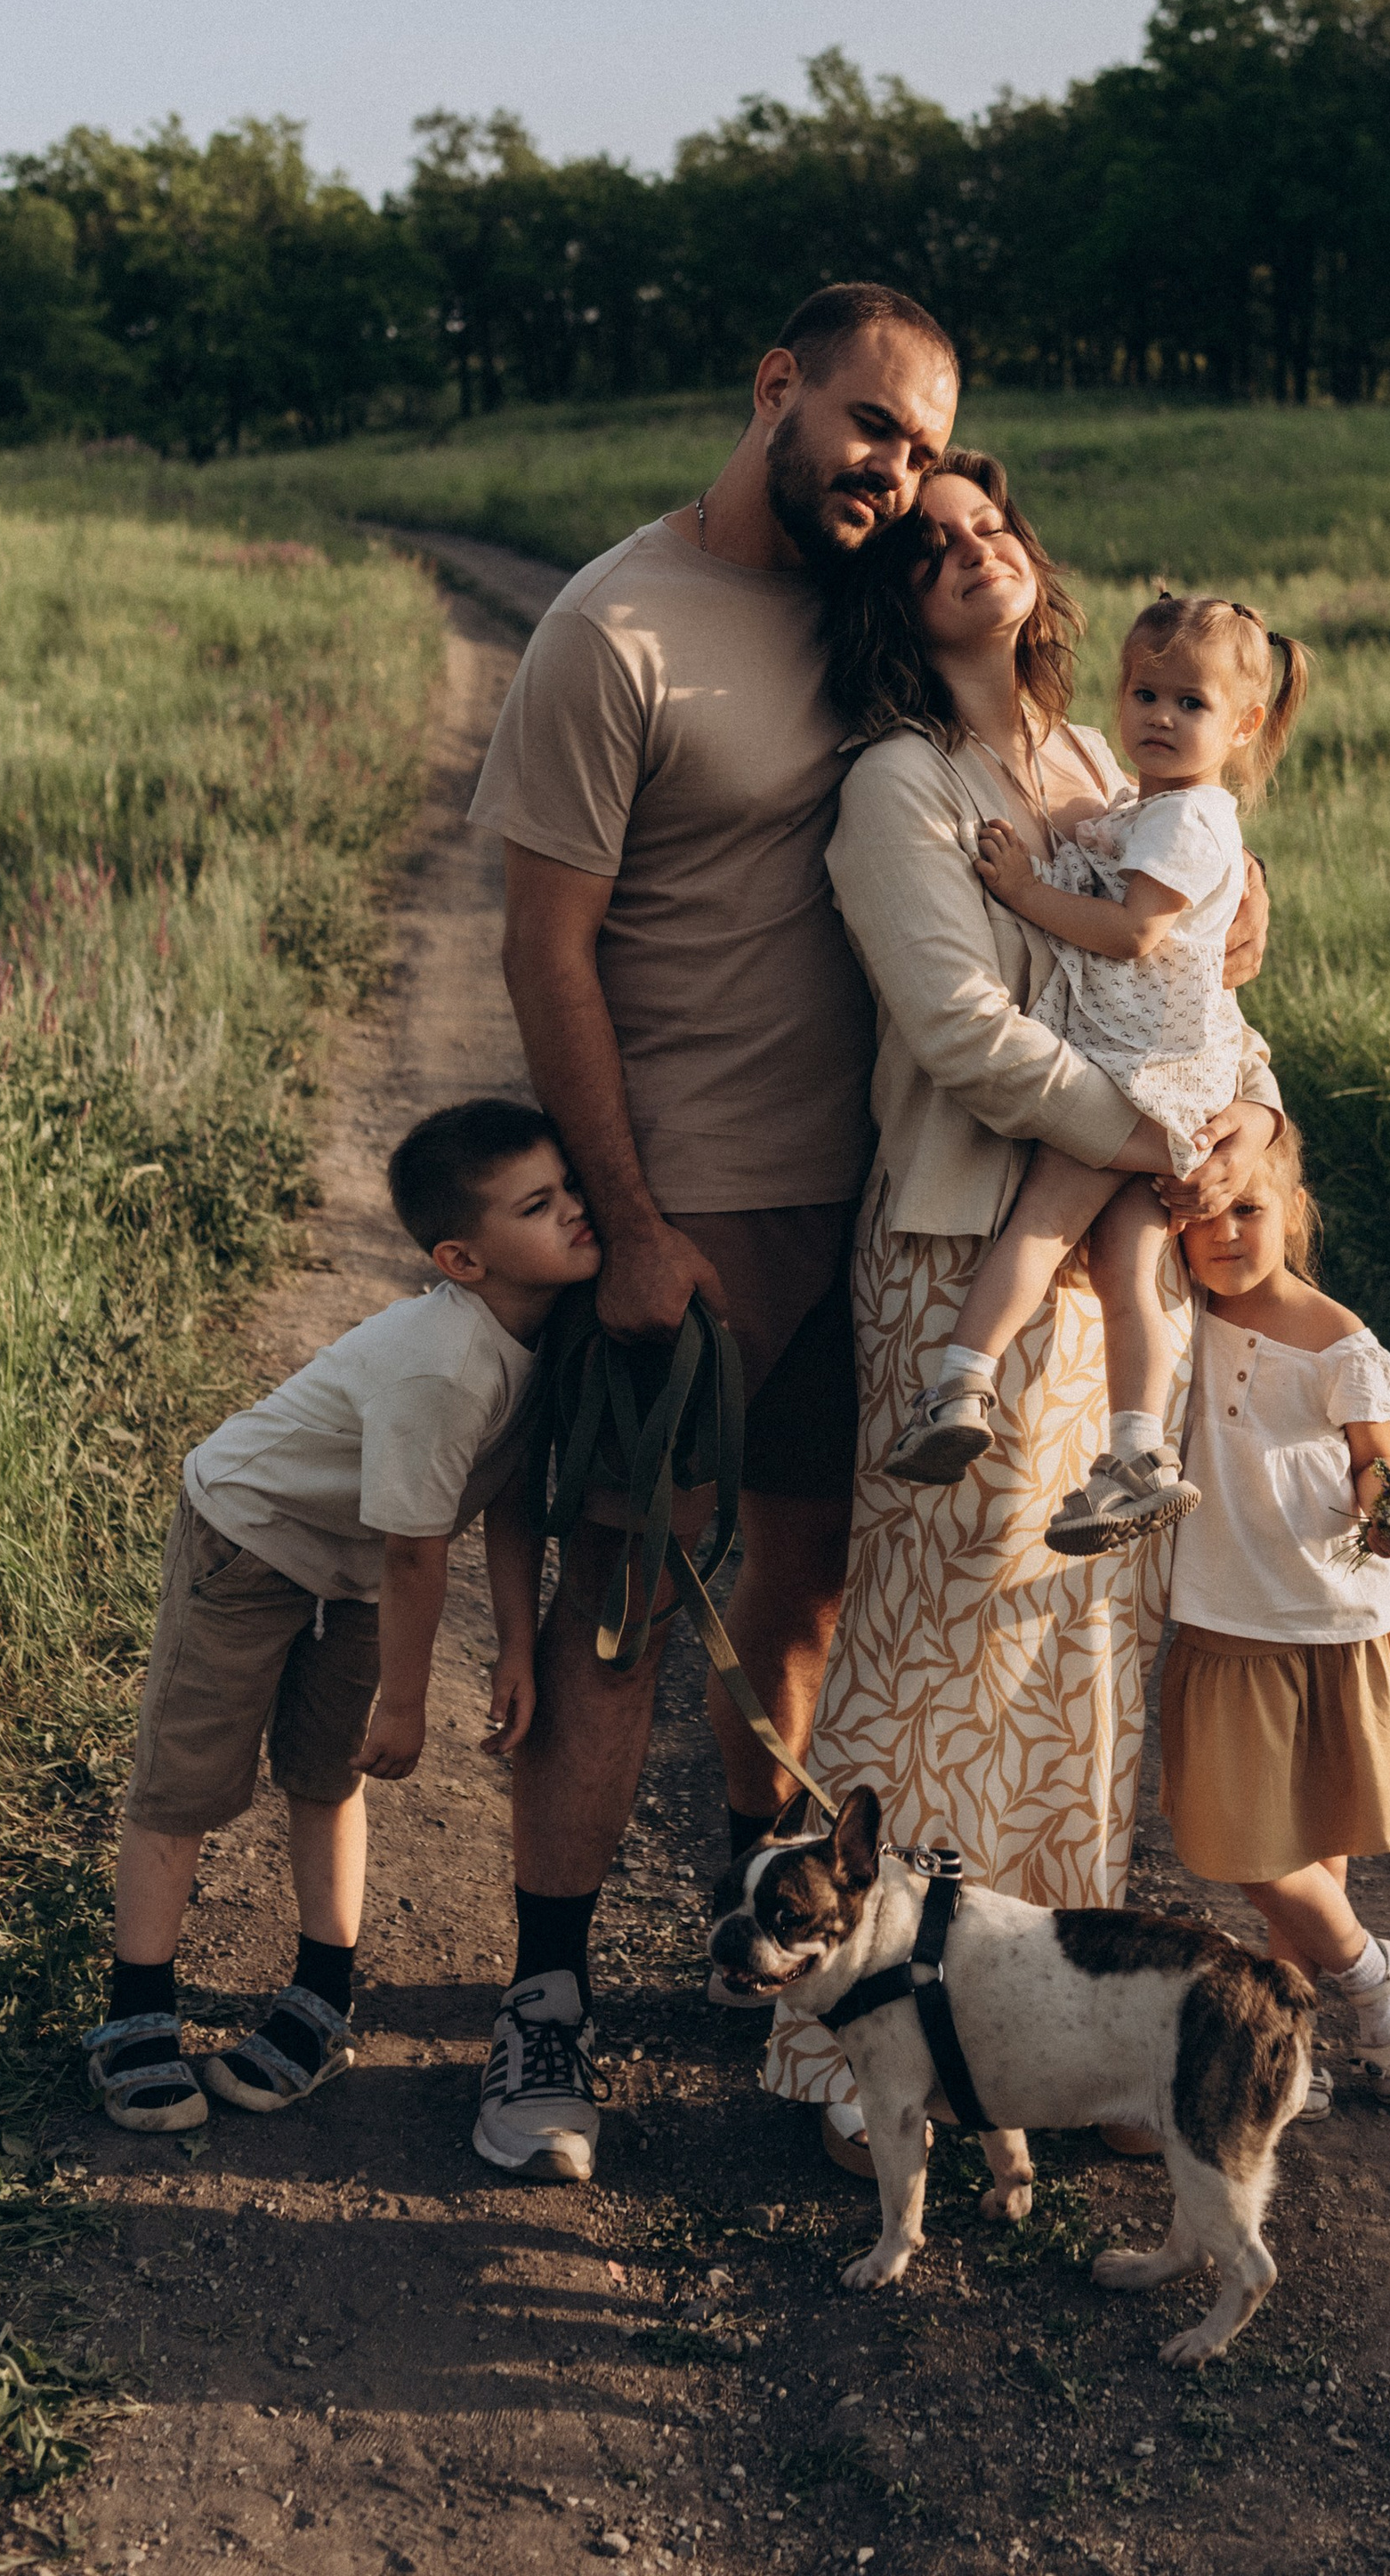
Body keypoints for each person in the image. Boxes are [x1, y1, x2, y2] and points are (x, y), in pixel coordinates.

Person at [466, 284, 963, 2186]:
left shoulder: (872, 600)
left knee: (808, 1593)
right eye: (865, 426)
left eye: (916, 446)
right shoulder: (615, 628)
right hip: (688, 1213)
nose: (890, 472)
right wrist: (637, 1224)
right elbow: (543, 949)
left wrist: (1202, 899)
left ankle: (783, 1956)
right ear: (775, 388)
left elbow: (1014, 761)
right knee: (617, 1607)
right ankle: (542, 2006)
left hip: (879, 1202)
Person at [763, 449, 1283, 2174]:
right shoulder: (895, 787)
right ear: (890, 597)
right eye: (931, 545)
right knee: (942, 1650)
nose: (973, 551)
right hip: (961, 1243)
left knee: (1069, 1654)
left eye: (994, 525)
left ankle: (1045, 2051)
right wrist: (1152, 1134)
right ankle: (869, 2061)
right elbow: (968, 1040)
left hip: (1114, 1246)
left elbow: (1192, 986)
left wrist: (1242, 1127)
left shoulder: (1095, 759)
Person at [81, 1101, 589, 2135]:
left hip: (356, 1562)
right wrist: (406, 1700)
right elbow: (416, 1551)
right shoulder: (445, 1360)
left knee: (330, 1770)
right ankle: (135, 2014)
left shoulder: (550, 1332)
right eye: (539, 1206)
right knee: (186, 1778)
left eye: (568, 1187)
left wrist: (517, 1642)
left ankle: (321, 1994)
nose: (576, 1211)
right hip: (254, 1536)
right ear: (463, 1258)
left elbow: (509, 1496)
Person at [895, 587, 1311, 1557]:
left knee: (1041, 1226)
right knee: (1126, 1269)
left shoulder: (1189, 824)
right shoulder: (1160, 809)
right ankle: (1138, 1458)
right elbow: (1108, 837)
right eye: (1144, 693)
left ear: (1244, 724)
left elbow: (1129, 933)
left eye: (1191, 704)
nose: (1160, 717)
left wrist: (1025, 889)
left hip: (1134, 1074)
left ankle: (959, 1380)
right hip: (1173, 1077)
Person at [1159, 1118, 1390, 2114]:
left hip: (1329, 1614)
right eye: (1203, 1216)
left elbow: (1375, 1464)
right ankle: (1373, 1969)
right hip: (1224, 1613)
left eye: (1249, 1209)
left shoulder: (1341, 1340)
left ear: (1291, 1212)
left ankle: (1292, 2047)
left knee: (1309, 1846)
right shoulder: (1180, 1316)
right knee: (1234, 1840)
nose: (1226, 1232)